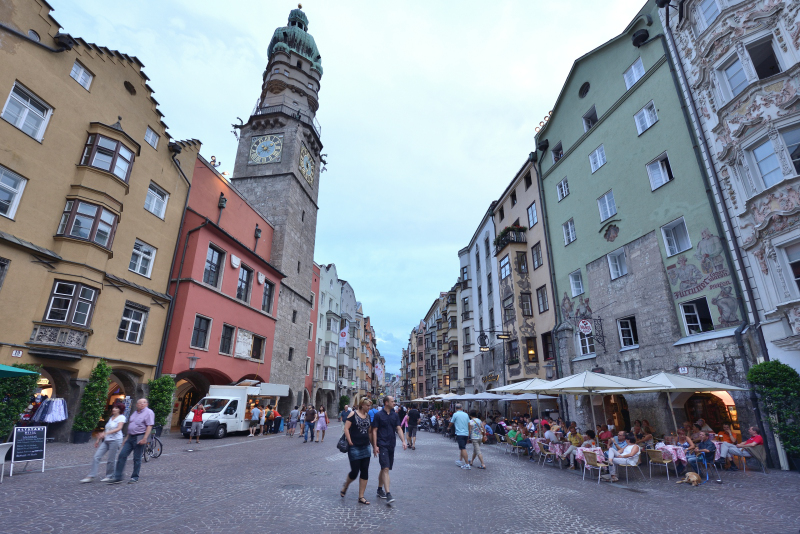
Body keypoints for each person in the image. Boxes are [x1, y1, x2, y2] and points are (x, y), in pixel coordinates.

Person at [107, 398, 154, 484]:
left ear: (147, 404)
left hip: (140, 436)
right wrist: (126, 438)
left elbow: (149, 426)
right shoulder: (135, 413)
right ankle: (118, 477)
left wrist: (145, 438)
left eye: (144, 402)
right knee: (122, 455)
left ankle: (135, 477)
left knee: (137, 458)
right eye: (140, 403)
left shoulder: (149, 412)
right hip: (131, 437)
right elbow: (131, 426)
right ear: (137, 405)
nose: (142, 404)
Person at [371, 396, 407, 504]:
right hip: (382, 444)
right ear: (386, 403)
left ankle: (379, 489)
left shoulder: (394, 415)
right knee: (385, 468)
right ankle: (388, 494)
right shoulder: (378, 415)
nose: (394, 403)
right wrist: (375, 445)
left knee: (384, 468)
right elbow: (374, 431)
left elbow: (398, 428)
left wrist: (403, 441)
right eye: (392, 401)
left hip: (391, 444)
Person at [81, 402, 126, 483]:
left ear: (120, 410)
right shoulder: (111, 418)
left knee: (111, 459)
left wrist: (106, 433)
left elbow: (119, 428)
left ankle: (109, 476)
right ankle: (91, 475)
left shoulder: (121, 417)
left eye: (116, 408)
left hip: (115, 440)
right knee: (96, 456)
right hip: (106, 440)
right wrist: (98, 439)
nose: (114, 409)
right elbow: (107, 429)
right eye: (113, 407)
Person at [341, 399, 375, 505]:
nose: (369, 407)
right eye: (367, 405)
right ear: (362, 405)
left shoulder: (368, 416)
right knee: (355, 472)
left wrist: (374, 446)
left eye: (370, 406)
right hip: (354, 447)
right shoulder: (353, 414)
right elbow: (346, 428)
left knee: (365, 471)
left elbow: (369, 432)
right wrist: (350, 441)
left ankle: (361, 496)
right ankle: (346, 485)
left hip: (366, 446)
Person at [449, 403, 471, 469]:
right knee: (462, 447)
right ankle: (460, 460)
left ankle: (467, 464)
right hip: (466, 433)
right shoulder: (466, 414)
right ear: (461, 408)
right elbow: (469, 424)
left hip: (460, 433)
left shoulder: (455, 414)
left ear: (455, 408)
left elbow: (451, 422)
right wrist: (469, 432)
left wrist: (448, 427)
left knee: (463, 448)